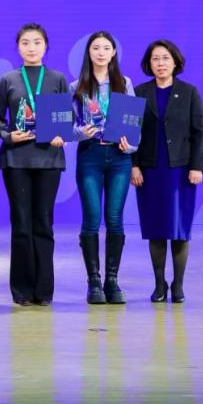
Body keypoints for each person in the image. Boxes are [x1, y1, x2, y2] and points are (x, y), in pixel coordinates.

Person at [0, 23, 69, 306]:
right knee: (21, 224)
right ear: (18, 47)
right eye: (25, 42)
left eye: (37, 42)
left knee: (44, 223)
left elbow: (65, 118)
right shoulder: (8, 79)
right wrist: (7, 135)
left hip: (49, 160)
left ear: (45, 46)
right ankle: (22, 290)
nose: (31, 47)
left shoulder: (57, 79)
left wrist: (61, 134)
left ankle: (44, 291)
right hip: (16, 159)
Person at [131, 40, 203, 303]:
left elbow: (199, 132)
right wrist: (134, 165)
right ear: (149, 64)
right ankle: (159, 284)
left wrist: (197, 166)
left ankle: (178, 285)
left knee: (179, 228)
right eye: (155, 59)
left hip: (181, 170)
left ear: (175, 62)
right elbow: (132, 132)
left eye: (165, 58)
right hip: (150, 170)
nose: (160, 63)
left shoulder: (189, 92)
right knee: (156, 228)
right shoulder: (139, 92)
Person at [70, 31, 137, 305]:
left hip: (119, 158)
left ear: (113, 53)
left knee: (114, 219)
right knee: (92, 218)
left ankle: (112, 280)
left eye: (106, 48)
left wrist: (130, 145)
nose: (100, 52)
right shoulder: (77, 86)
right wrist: (80, 133)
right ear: (88, 52)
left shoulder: (124, 83)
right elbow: (66, 128)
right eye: (95, 48)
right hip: (90, 156)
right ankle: (94, 282)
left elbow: (133, 122)